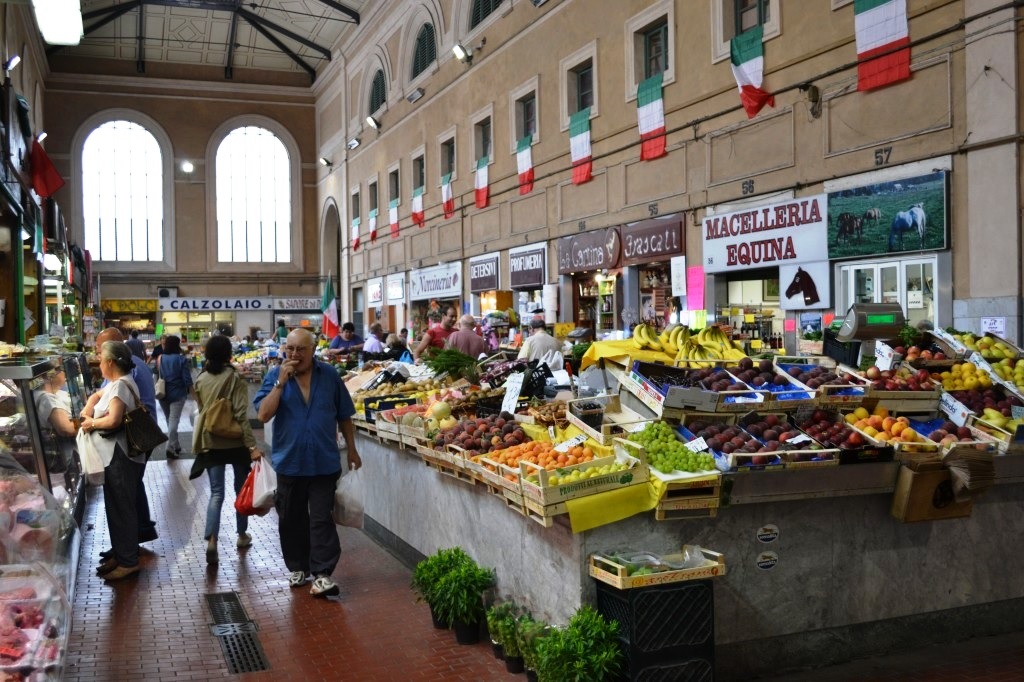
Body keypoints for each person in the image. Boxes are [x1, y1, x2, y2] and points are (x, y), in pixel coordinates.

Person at [253, 328, 361, 598]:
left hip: (324, 461)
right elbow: (264, 414)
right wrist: (280, 382)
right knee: (291, 518)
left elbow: (344, 415)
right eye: (290, 349)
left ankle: (322, 574)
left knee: (322, 518)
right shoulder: (274, 377)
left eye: (301, 349)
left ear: (313, 350)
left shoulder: (330, 376)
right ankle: (298, 567)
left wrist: (352, 450)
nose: (294, 354)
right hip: (289, 462)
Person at [190, 335, 263, 565]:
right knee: (241, 490)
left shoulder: (201, 379)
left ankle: (212, 539)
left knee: (216, 493)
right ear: (228, 354)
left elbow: (202, 409)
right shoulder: (235, 378)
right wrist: (252, 446)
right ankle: (241, 535)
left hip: (211, 439)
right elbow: (241, 416)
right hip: (235, 442)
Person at [79, 341, 148, 581]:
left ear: (110, 362)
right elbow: (99, 395)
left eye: (101, 359)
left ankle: (128, 561)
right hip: (118, 456)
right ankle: (122, 554)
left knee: (122, 507)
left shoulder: (120, 386)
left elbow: (114, 420)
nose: (99, 363)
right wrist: (90, 403)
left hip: (120, 456)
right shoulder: (119, 383)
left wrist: (91, 422)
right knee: (117, 506)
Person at [94, 327, 159, 547]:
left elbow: (114, 412)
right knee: (132, 486)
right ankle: (137, 535)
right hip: (138, 431)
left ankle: (131, 545)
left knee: (126, 492)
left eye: (100, 350)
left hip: (135, 433)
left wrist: (92, 421)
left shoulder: (125, 373)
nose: (97, 356)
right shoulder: (133, 365)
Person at [157, 335, 194, 458]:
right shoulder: (181, 359)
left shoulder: (160, 358)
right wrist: (193, 393)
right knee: (174, 421)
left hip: (163, 394)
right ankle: (170, 447)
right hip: (178, 393)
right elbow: (187, 379)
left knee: (169, 420)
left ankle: (176, 445)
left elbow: (158, 374)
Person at [34, 367, 76, 469]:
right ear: (52, 375)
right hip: (61, 455)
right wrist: (87, 421)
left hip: (60, 454)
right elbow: (66, 429)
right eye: (61, 369)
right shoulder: (47, 398)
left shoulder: (54, 393)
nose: (64, 373)